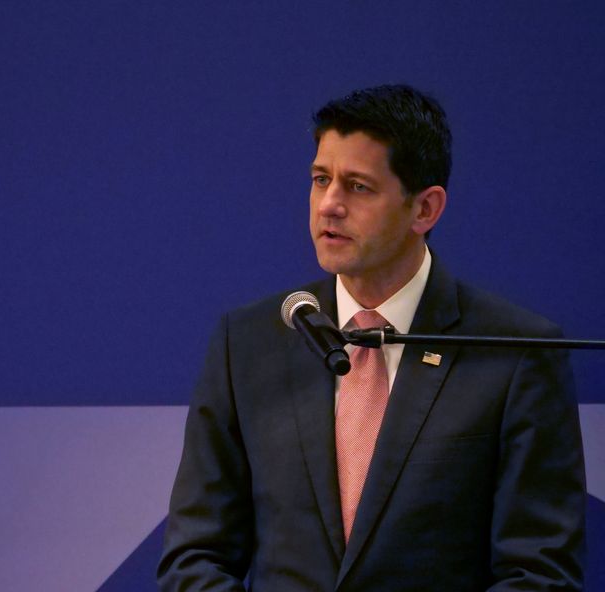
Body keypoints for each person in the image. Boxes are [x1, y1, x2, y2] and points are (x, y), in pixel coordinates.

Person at [157, 84, 586, 591]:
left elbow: (538, 573)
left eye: (358, 186)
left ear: (425, 209)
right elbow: (195, 556)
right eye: (321, 180)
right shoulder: (248, 343)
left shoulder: (514, 353)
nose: (329, 206)